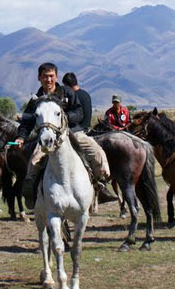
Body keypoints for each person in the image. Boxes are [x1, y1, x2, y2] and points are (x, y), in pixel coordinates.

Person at [15, 63, 111, 209]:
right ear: (39, 78)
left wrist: (64, 118)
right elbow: (27, 122)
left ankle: (100, 186)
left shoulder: (67, 92)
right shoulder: (36, 100)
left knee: (98, 153)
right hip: (47, 138)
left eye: (51, 76)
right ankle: (31, 194)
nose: (48, 79)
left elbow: (79, 112)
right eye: (45, 76)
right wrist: (21, 137)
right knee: (33, 163)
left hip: (73, 132)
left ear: (56, 77)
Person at [63, 72, 118, 204]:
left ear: (67, 85)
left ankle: (100, 185)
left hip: (77, 132)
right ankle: (102, 183)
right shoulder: (85, 94)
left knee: (97, 154)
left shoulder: (73, 96)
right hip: (87, 129)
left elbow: (77, 117)